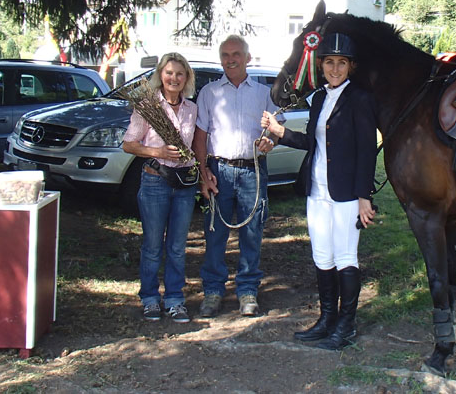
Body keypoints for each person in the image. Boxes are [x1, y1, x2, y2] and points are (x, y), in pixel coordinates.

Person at [261, 33, 378, 350]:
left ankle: (346, 326)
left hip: (347, 194)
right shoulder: (319, 99)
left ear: (350, 67)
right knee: (322, 257)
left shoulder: (361, 98)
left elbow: (368, 150)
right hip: (317, 192)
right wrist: (278, 132)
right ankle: (327, 320)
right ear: (321, 65)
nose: (335, 69)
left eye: (341, 63)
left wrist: (364, 196)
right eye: (329, 62)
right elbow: (311, 143)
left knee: (345, 258)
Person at [192, 34, 280, 317]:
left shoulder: (263, 92)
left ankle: (247, 292)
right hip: (219, 170)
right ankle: (214, 292)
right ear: (221, 59)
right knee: (215, 232)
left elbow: (274, 128)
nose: (231, 60)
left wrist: (271, 139)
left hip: (253, 169)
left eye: (236, 54)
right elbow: (201, 134)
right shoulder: (209, 92)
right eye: (226, 56)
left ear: (247, 58)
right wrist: (203, 171)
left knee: (252, 232)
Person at [122, 52, 198, 323]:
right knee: (153, 245)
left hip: (183, 185)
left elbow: (193, 146)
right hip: (155, 180)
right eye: (169, 73)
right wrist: (157, 150)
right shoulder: (147, 106)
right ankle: (150, 298)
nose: (173, 78)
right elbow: (128, 144)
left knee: (177, 246)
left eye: (179, 73)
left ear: (186, 77)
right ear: (160, 75)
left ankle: (175, 299)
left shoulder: (192, 108)